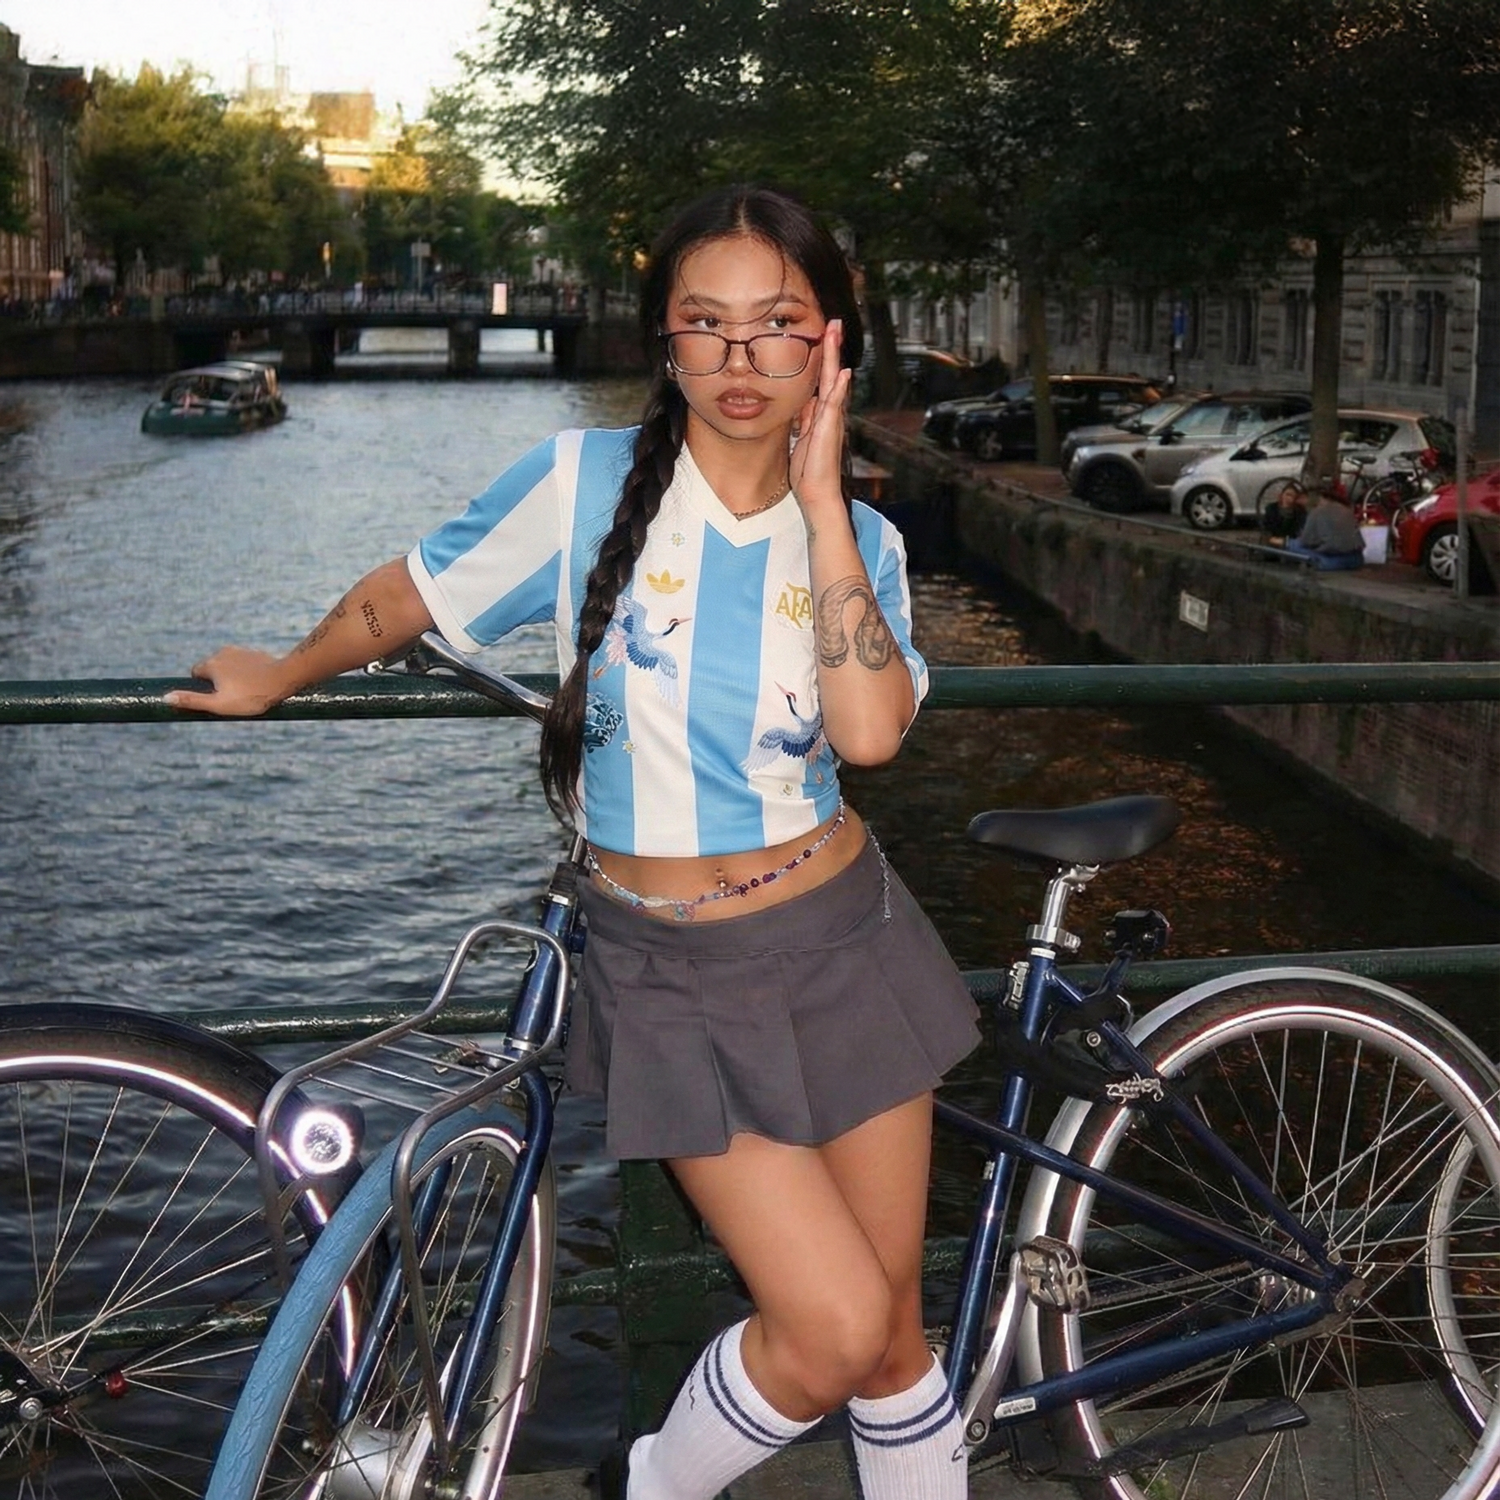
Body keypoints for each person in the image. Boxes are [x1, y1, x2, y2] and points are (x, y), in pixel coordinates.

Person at [164, 184, 980, 1500]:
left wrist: (824, 506)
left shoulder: (862, 542)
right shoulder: (580, 486)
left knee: (886, 1341)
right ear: (664, 339)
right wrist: (283, 671)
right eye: (704, 325)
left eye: (777, 325)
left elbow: (874, 736)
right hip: (670, 971)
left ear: (831, 342)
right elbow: (406, 595)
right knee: (823, 1329)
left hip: (848, 945)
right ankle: (653, 1482)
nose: (739, 360)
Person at [1281, 487, 1366, 570]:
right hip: (1356, 559)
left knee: (1293, 545)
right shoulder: (1346, 509)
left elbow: (1306, 541)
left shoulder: (1316, 511)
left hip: (1332, 561)